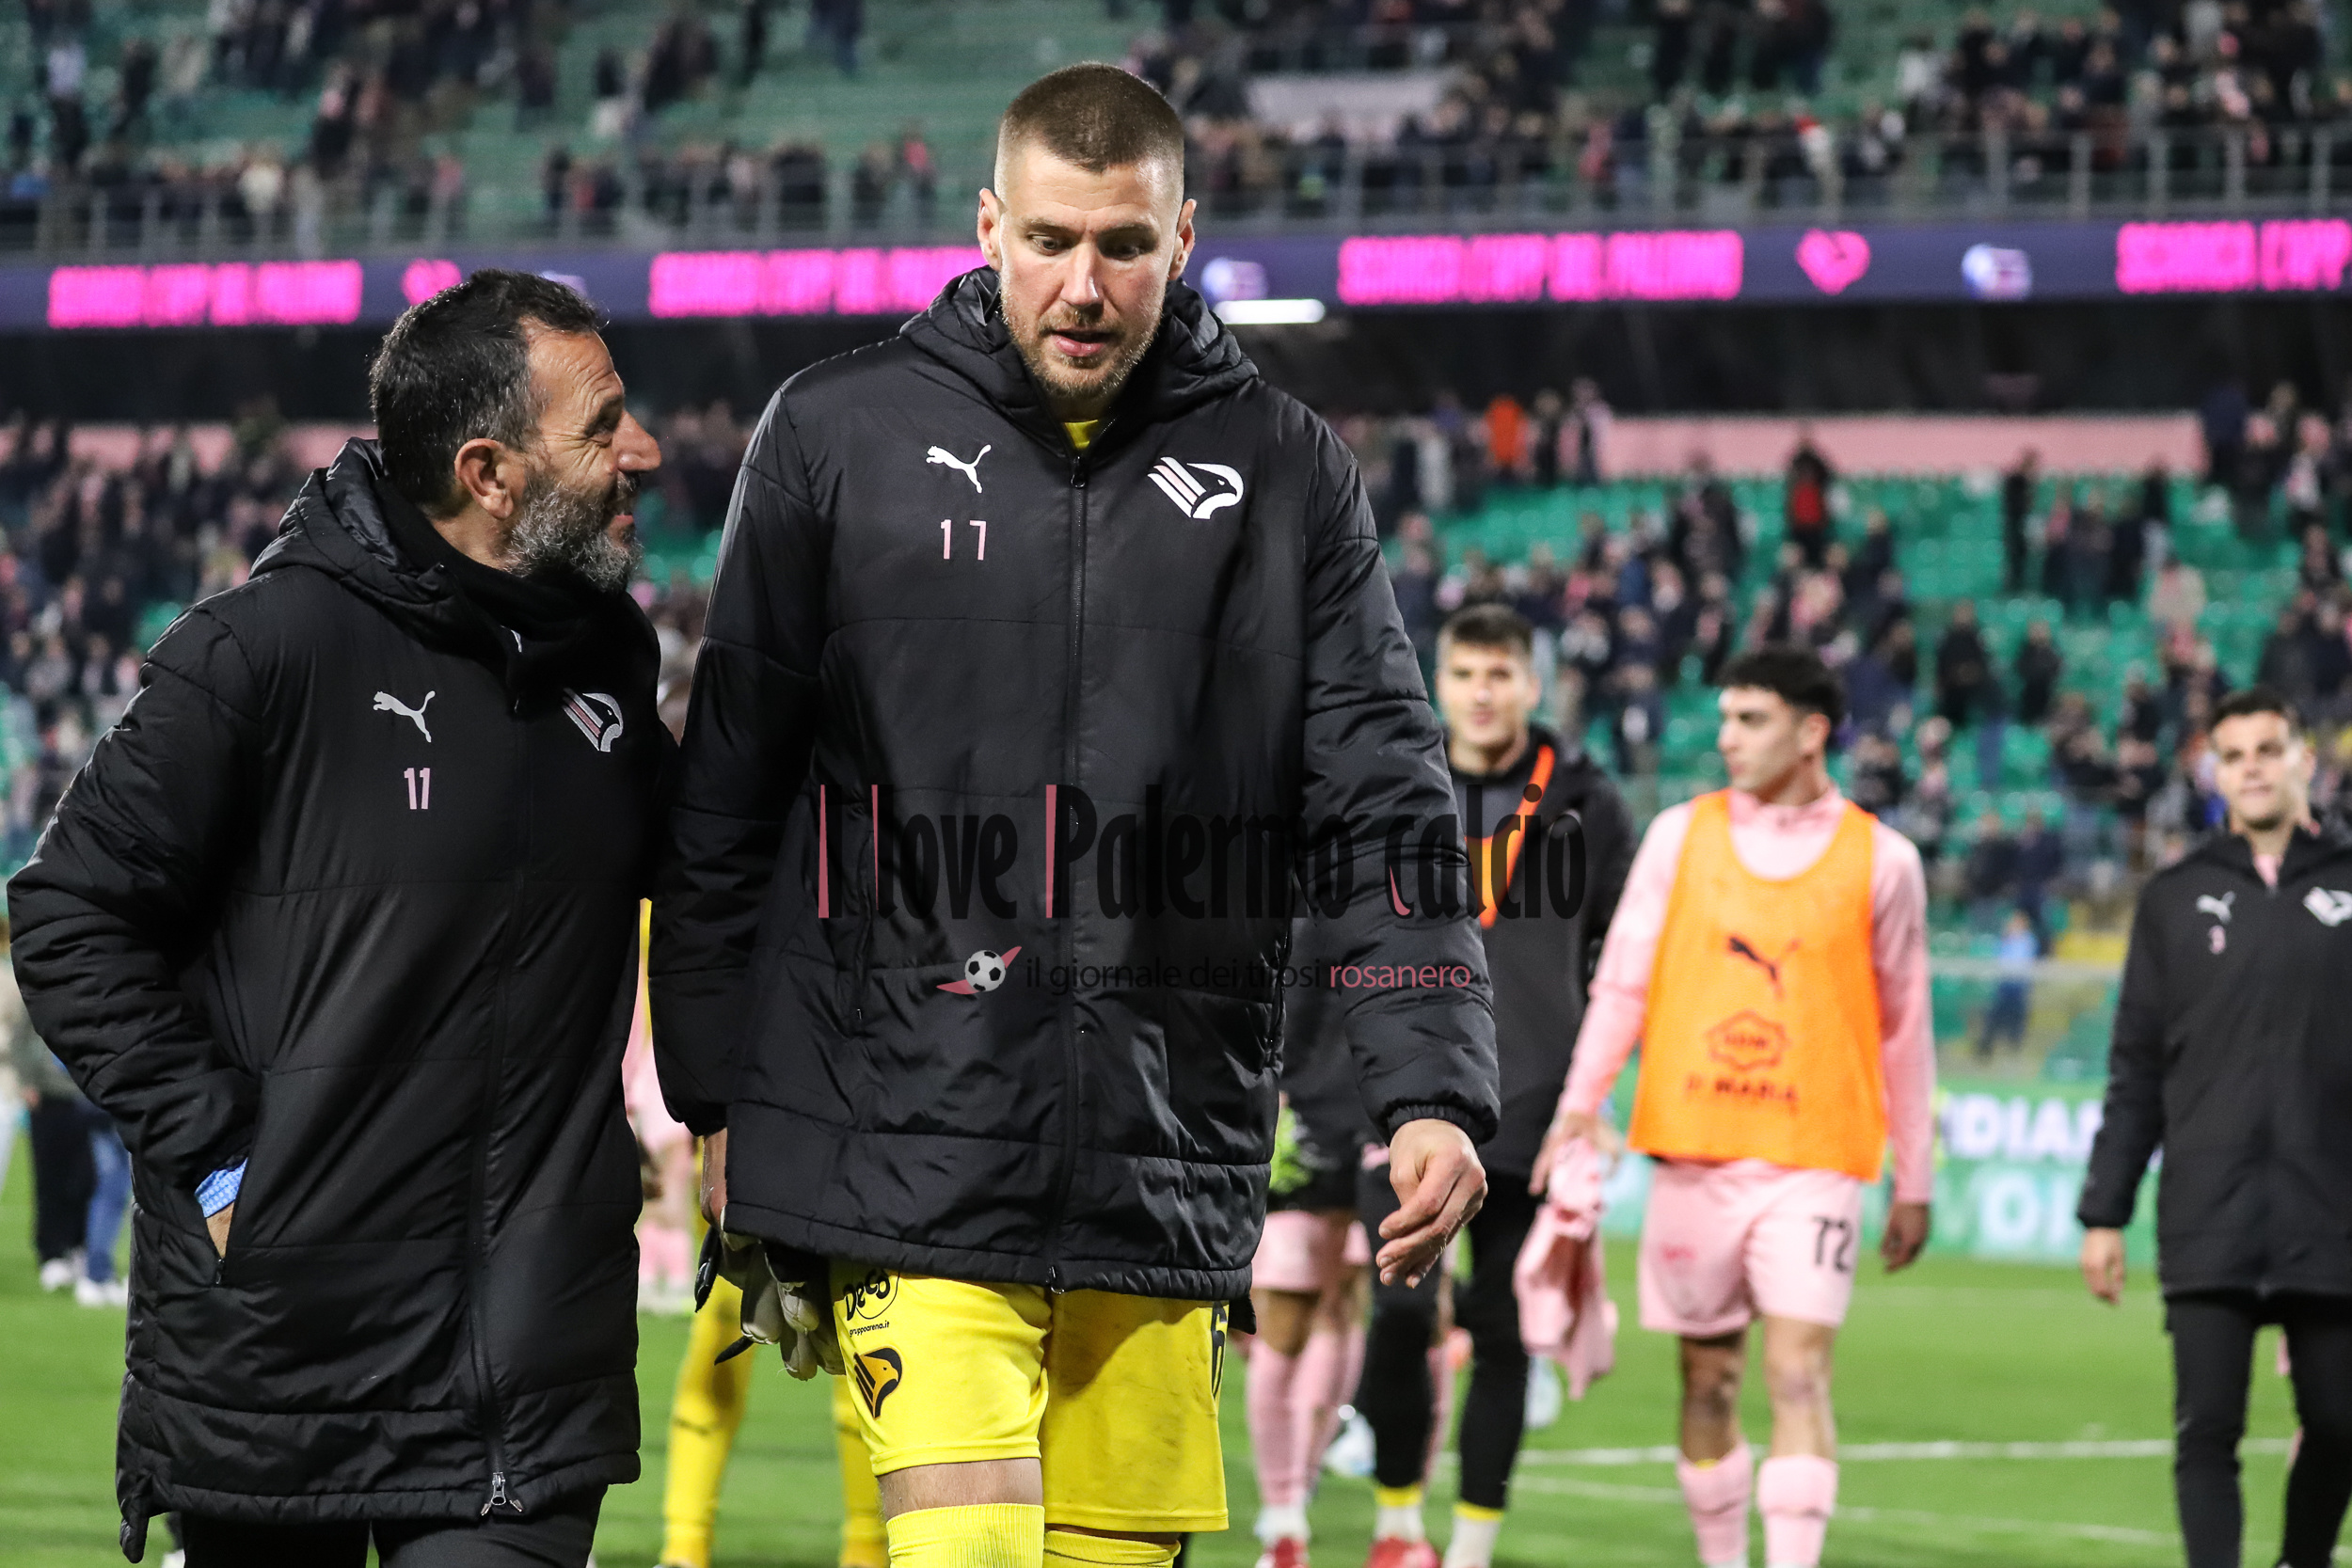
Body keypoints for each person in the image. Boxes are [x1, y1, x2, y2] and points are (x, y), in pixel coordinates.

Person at [650, 63, 1499, 1568]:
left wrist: (1429, 1079)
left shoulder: (1289, 472)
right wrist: (717, 1102)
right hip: (906, 1136)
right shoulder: (835, 435)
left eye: (1123, 244)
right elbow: (730, 793)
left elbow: (1382, 791)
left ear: (1187, 237)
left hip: (1162, 1152)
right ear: (991, 227)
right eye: (1049, 240)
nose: (1084, 286)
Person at [8, 270, 668, 1567]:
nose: (640, 449)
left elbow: (709, 883)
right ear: (487, 472)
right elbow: (70, 911)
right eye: (601, 424)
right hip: (279, 1366)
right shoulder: (261, 651)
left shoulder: (609, 659)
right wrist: (221, 1158)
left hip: (521, 1373)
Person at [1534, 644, 1936, 1568]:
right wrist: (1578, 1104)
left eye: (1750, 720)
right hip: (1694, 1149)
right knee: (1707, 1380)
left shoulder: (1885, 860)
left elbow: (1905, 1028)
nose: (1726, 737)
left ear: (1811, 731)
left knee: (1798, 1369)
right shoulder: (1679, 836)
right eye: (1723, 718)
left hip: (1813, 1157)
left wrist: (1913, 1176)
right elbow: (1622, 982)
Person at [1355, 604, 1636, 1568]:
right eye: (1466, 673)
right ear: (1440, 680)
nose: (1482, 692)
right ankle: (1397, 1523)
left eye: (1500, 673)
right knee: (1400, 1311)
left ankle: (1472, 1546)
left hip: (1532, 1103)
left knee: (1509, 1333)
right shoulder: (1393, 778)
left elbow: (1619, 960)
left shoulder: (1588, 801)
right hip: (1401, 1096)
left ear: (1532, 683)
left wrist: (1592, 1097)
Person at [2079, 685, 2352, 1568]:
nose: (2253, 769)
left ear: (2304, 757)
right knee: (2207, 1431)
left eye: (2269, 750)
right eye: (2233, 756)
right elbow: (2136, 1066)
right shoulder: (2175, 896)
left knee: (2342, 1422)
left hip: (2331, 1209)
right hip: (2210, 1208)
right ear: (2215, 772)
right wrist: (2104, 1211)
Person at [1245, 955, 1375, 1568]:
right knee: (1285, 1312)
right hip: (1297, 1109)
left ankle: (1296, 1493)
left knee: (1343, 1299)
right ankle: (1283, 1512)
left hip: (1379, 1113)